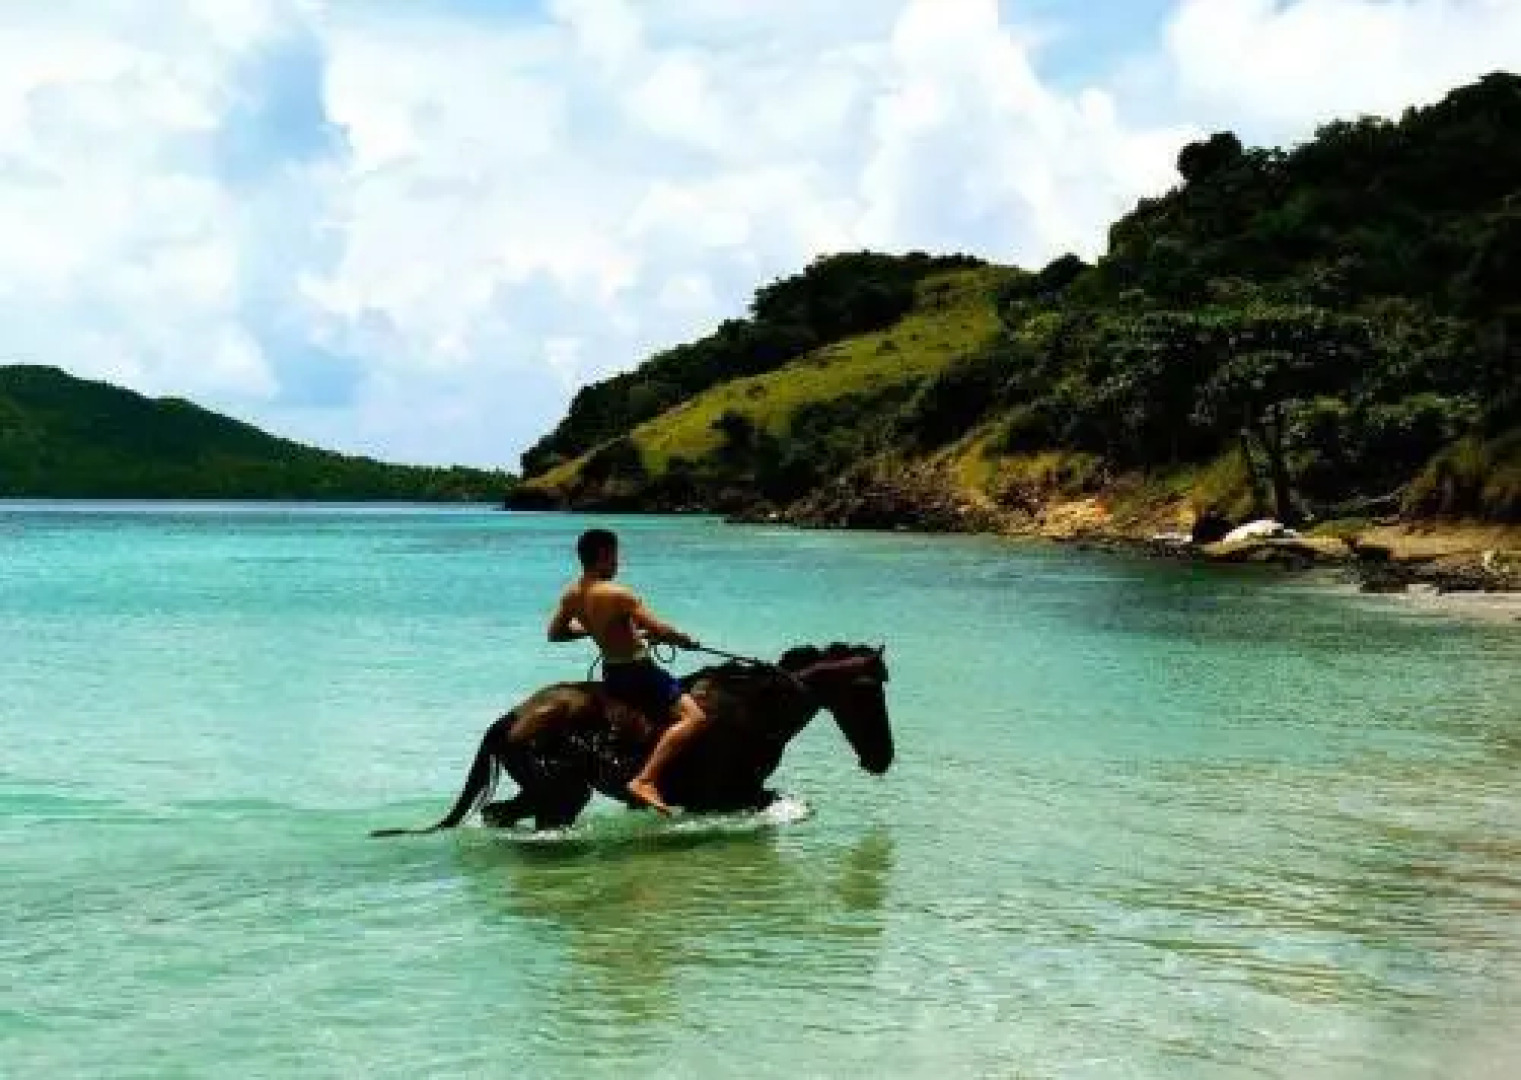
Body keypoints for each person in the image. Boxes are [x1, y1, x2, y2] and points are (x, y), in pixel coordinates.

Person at [547, 527, 707, 815]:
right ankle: (645, 780)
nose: (618, 563)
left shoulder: (572, 594)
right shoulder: (619, 594)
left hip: (612, 675)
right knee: (695, 717)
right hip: (640, 673)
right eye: (615, 556)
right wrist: (683, 640)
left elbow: (556, 633)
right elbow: (660, 629)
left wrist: (595, 629)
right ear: (603, 555)